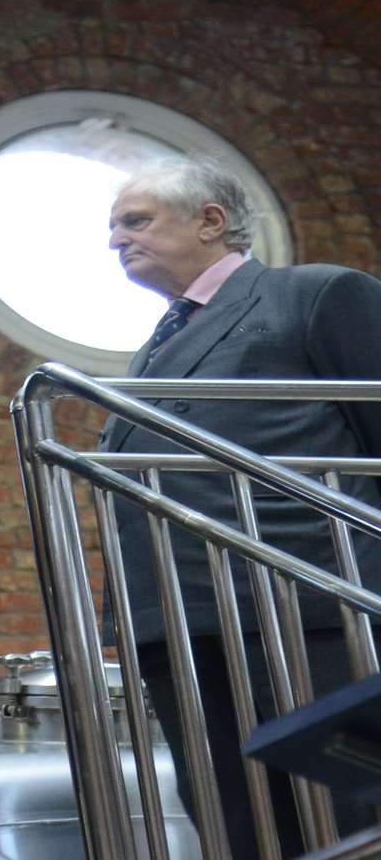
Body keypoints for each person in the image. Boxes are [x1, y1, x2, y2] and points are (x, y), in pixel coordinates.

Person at [103, 155, 381, 857]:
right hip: (180, 625)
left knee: (350, 822)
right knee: (239, 829)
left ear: (211, 220)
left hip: (309, 609)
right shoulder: (154, 350)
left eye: (135, 221)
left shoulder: (314, 295)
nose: (116, 241)